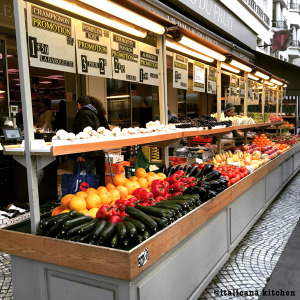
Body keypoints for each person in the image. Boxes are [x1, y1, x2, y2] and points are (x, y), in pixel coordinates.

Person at [72, 96, 108, 186]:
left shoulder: (85, 114)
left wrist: (82, 154)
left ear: (78, 104)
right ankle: (92, 194)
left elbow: (87, 134)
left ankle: (86, 195)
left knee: (84, 179)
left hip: (89, 153)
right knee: (92, 178)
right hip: (94, 151)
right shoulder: (94, 112)